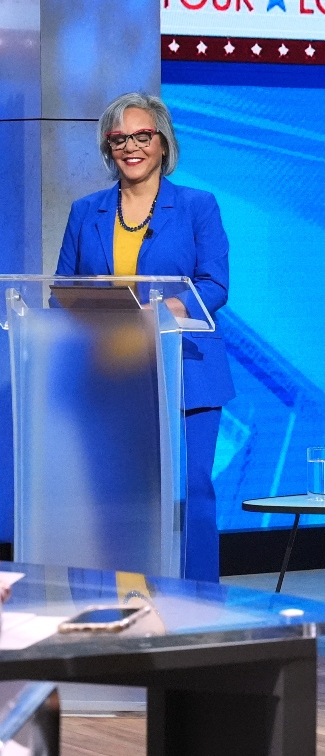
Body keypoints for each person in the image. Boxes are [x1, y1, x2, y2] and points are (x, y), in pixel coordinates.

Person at [56, 93, 236, 583]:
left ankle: (200, 606)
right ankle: (122, 605)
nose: (130, 147)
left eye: (142, 136)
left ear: (162, 143)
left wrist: (158, 313)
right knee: (117, 498)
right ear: (107, 146)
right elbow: (61, 294)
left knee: (192, 492)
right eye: (119, 138)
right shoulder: (84, 212)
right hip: (113, 376)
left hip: (186, 373)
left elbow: (215, 285)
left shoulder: (199, 206)